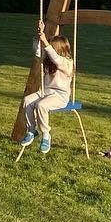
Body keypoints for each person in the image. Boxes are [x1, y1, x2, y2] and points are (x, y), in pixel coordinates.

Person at [19, 20, 73, 154]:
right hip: (46, 92)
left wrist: (46, 42)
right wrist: (39, 35)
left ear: (59, 50)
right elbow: (38, 51)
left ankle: (46, 135)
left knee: (41, 106)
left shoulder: (67, 63)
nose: (48, 49)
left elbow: (57, 60)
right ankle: (32, 130)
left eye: (51, 47)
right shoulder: (49, 59)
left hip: (60, 96)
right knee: (27, 101)